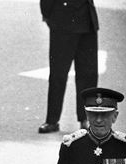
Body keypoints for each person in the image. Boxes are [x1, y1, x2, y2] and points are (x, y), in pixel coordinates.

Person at [38, 0, 98, 134]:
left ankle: (86, 119)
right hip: (63, 20)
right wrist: (48, 14)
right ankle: (52, 120)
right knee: (58, 73)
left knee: (88, 73)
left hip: (87, 20)